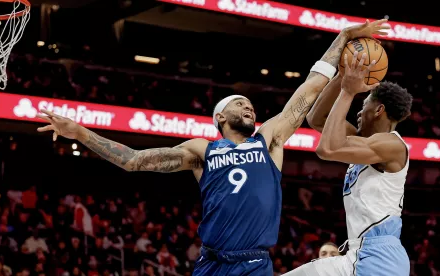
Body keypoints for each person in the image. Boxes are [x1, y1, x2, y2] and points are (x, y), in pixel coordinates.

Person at [36, 20, 388, 275]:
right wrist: (80, 133)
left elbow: (309, 91)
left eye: (251, 105)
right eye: (240, 104)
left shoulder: (268, 138)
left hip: (254, 263)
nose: (249, 107)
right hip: (212, 262)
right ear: (220, 116)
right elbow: (134, 161)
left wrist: (342, 37)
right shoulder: (202, 150)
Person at [285, 48, 413, 275]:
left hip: (379, 256)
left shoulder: (391, 146)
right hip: (361, 252)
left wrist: (348, 92)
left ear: (379, 110)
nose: (358, 112)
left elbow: (327, 148)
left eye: (364, 105)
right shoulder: (364, 142)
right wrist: (342, 76)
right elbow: (316, 119)